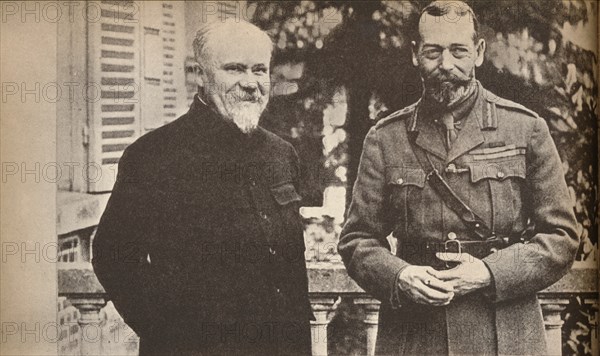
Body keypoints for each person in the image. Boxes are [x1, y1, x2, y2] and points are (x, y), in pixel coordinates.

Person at [338, 2, 579, 355]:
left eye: (458, 51)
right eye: (433, 52)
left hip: (505, 332)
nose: (446, 65)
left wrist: (489, 272)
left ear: (478, 53)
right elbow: (357, 241)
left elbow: (562, 237)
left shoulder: (525, 129)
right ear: (415, 54)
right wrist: (401, 276)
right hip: (415, 334)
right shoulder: (385, 138)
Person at [92, 19, 312, 356]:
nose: (251, 83)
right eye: (235, 69)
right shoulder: (152, 156)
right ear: (200, 74)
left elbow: (291, 275)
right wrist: (170, 334)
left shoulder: (282, 155)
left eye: (258, 70)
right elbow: (112, 255)